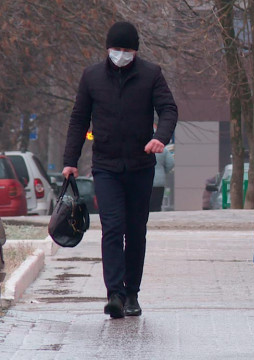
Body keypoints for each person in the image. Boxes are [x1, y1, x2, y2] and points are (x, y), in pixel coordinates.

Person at [62, 21, 178, 318]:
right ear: (108, 49)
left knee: (136, 230)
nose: (121, 54)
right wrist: (70, 161)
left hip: (141, 166)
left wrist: (160, 137)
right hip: (106, 166)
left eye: (127, 50)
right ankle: (114, 292)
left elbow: (168, 109)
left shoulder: (151, 75)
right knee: (112, 227)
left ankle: (132, 294)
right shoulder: (92, 77)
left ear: (136, 51)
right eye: (117, 49)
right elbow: (79, 119)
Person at [150, 147, 174, 212]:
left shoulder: (141, 147)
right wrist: (163, 171)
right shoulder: (162, 149)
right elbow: (171, 163)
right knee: (156, 205)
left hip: (143, 180)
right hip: (159, 180)